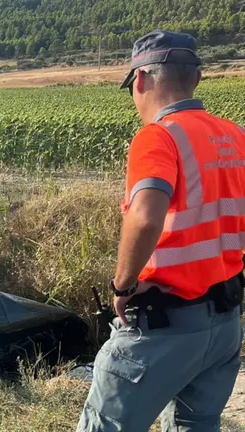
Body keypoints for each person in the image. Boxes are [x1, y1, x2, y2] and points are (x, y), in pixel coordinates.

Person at [77, 30, 245, 432]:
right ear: (196, 78)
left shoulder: (158, 136)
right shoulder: (234, 135)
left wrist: (122, 286)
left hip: (164, 323)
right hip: (224, 325)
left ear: (141, 79)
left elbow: (146, 216)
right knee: (197, 425)